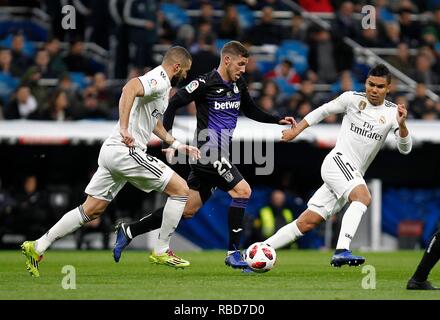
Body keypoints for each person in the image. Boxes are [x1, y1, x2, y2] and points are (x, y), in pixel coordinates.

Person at [113, 41, 294, 269]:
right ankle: (233, 252)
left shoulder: (239, 84)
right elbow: (173, 104)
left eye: (245, 65)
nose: (243, 69)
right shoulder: (204, 82)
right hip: (208, 152)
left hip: (219, 154)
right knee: (243, 191)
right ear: (227, 60)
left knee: (188, 210)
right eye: (241, 64)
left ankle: (129, 230)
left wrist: (278, 119)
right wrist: (167, 139)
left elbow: (251, 110)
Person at [21, 46, 200, 277]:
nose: (185, 76)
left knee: (92, 209)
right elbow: (129, 88)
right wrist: (125, 127)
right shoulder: (160, 78)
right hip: (127, 150)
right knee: (181, 190)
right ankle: (161, 249)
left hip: (113, 151)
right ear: (176, 67)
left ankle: (37, 246)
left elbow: (153, 123)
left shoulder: (160, 86)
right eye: (185, 71)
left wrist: (175, 144)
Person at [263, 64, 412, 267]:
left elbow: (405, 149)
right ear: (366, 83)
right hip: (337, 162)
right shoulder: (351, 99)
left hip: (350, 174)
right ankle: (342, 250)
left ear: (388, 88)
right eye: (370, 84)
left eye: (379, 86)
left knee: (307, 223)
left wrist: (402, 125)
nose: (374, 90)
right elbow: (323, 111)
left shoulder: (394, 113)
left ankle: (257, 251)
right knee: (363, 196)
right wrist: (296, 130)